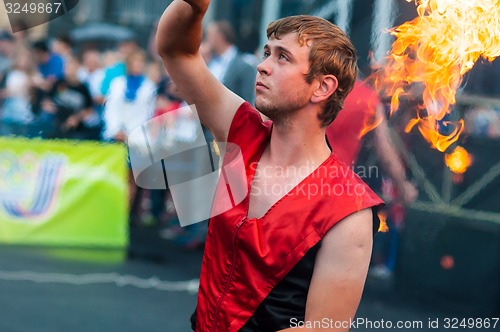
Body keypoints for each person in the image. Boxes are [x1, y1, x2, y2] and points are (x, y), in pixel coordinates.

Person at [156, 1, 384, 331]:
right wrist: (192, 7)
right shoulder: (242, 131)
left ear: (322, 87)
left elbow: (323, 329)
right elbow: (176, 51)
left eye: (283, 57)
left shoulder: (349, 210)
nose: (263, 66)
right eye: (267, 53)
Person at [205, 21, 257, 103]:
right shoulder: (208, 59)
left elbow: (247, 100)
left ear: (220, 38)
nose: (207, 40)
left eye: (210, 36)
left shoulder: (244, 66)